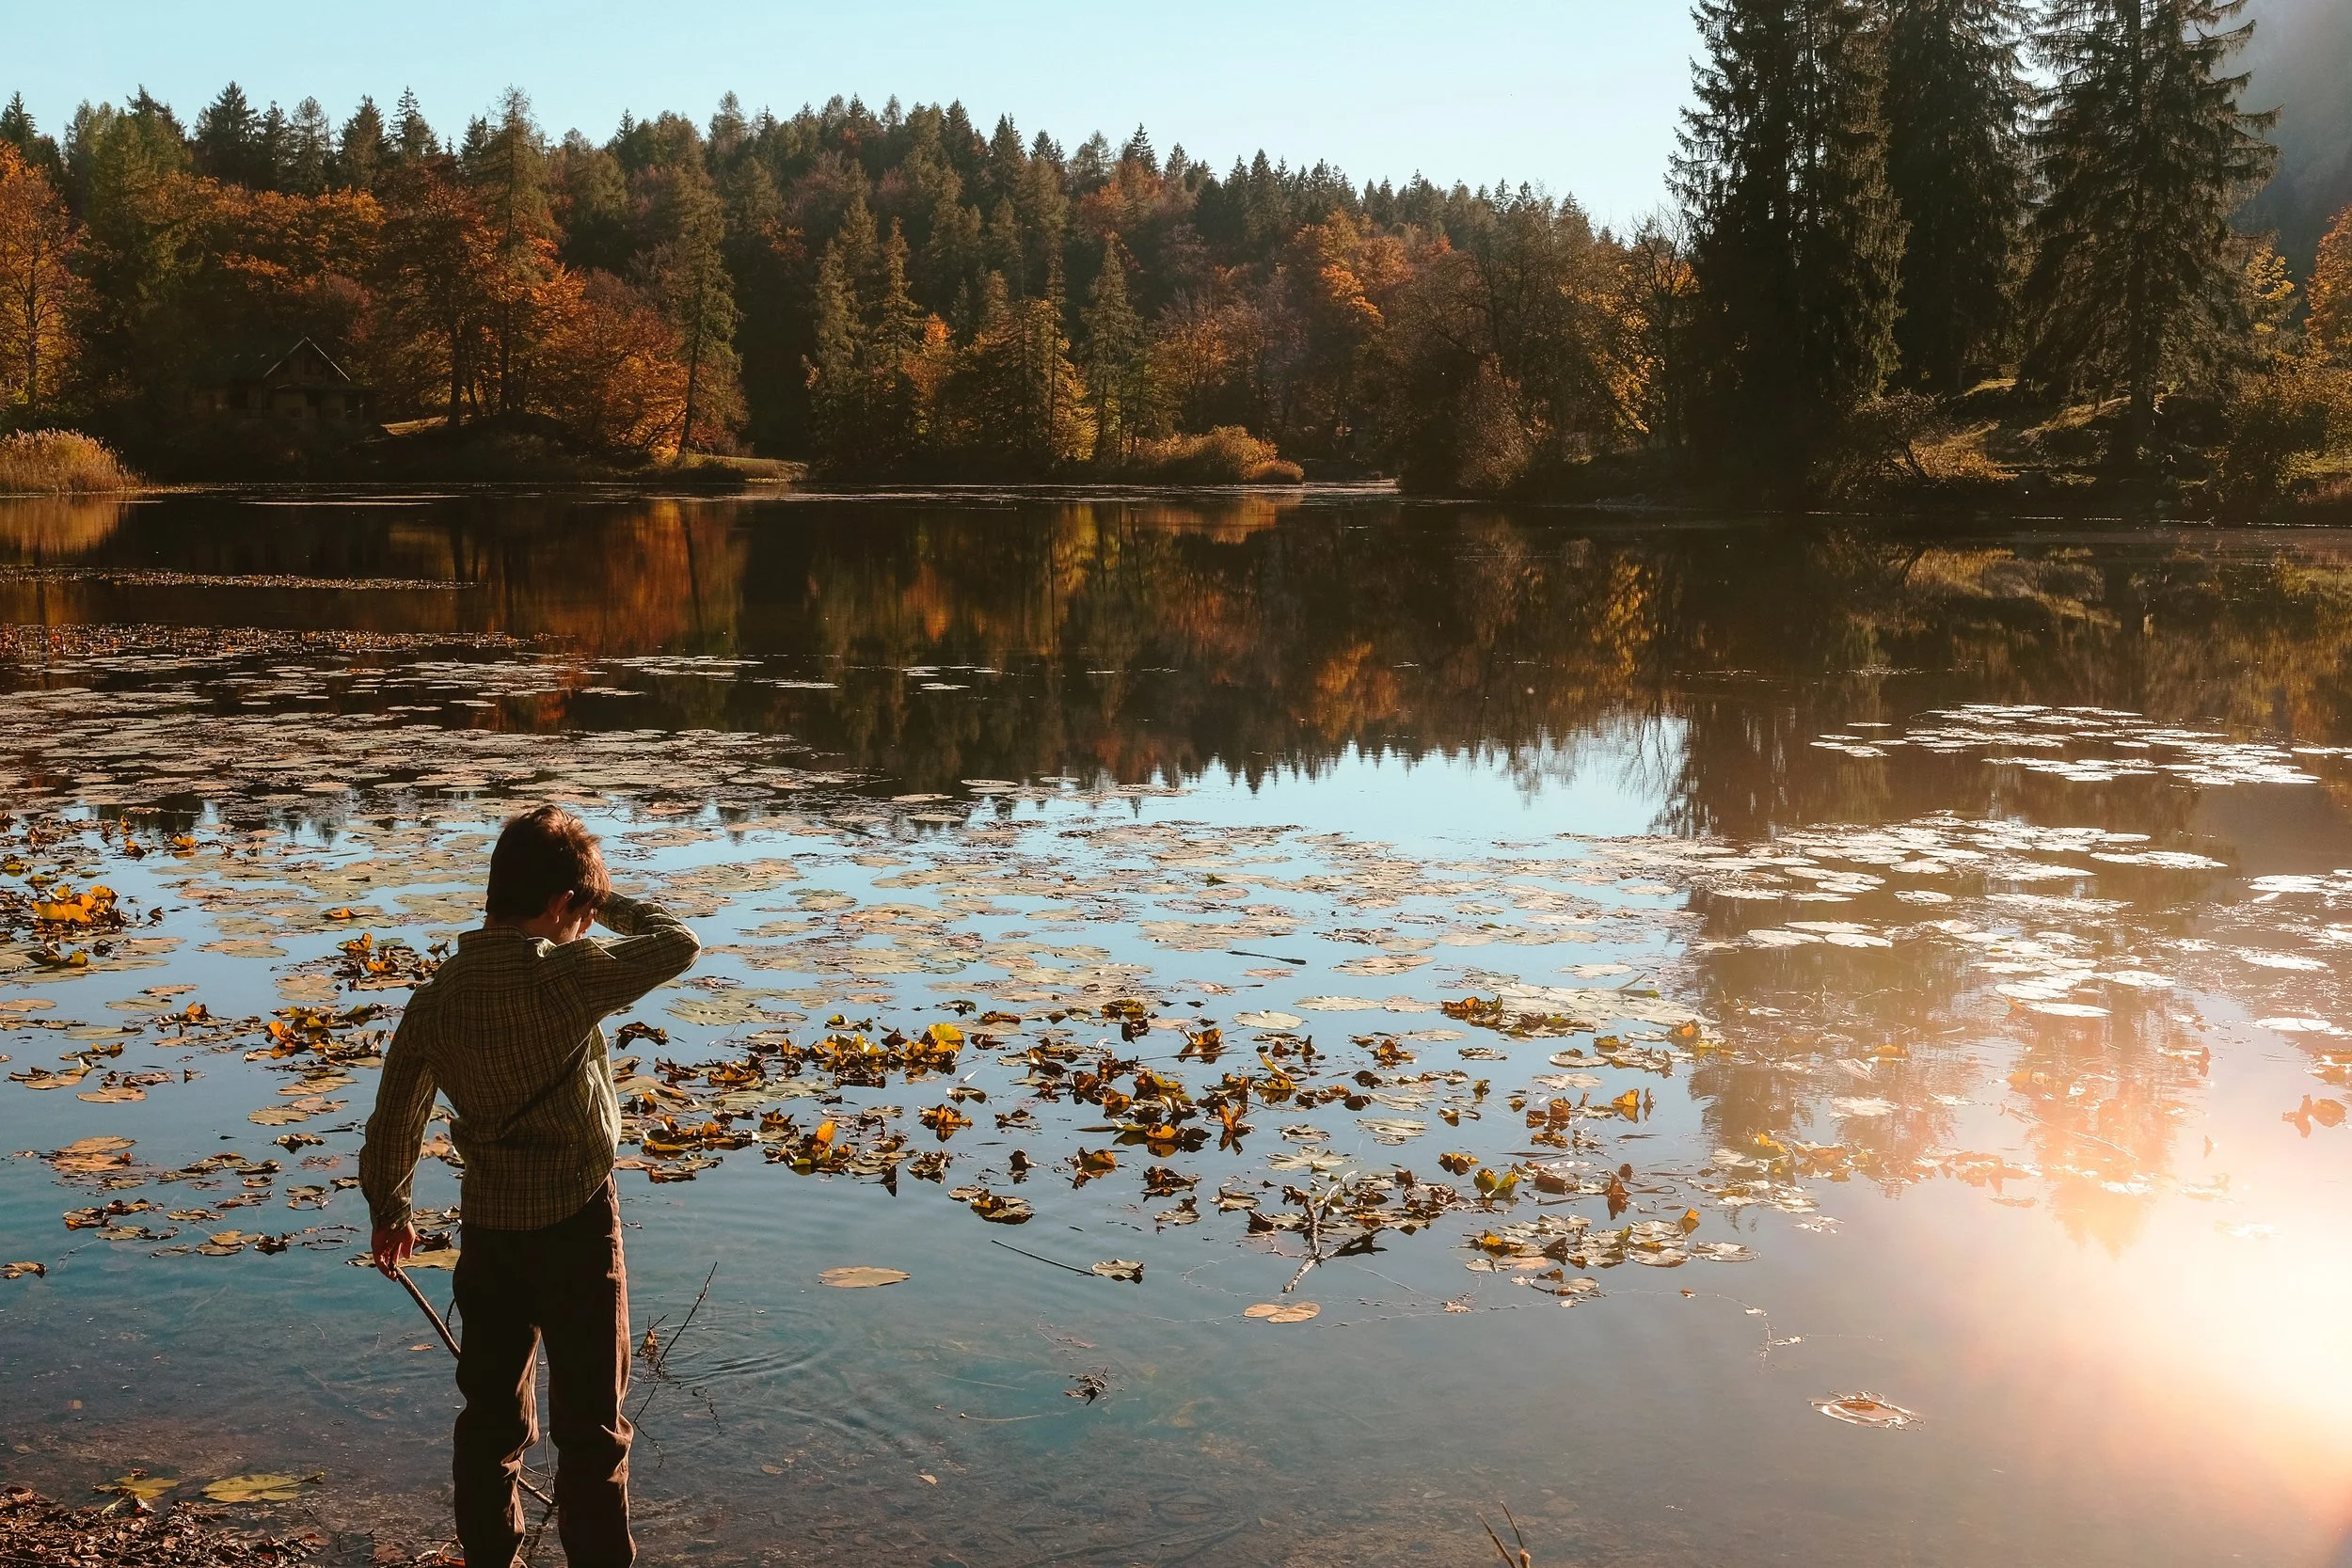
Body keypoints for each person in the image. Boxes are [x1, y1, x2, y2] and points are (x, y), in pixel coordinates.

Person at [361, 804, 698, 1568]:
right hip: (579, 1226)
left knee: (490, 1423)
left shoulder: (437, 996)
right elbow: (680, 941)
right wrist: (606, 901)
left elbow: (395, 1118)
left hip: (490, 1236)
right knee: (592, 1431)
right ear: (561, 907)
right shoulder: (566, 976)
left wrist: (391, 1208)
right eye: (579, 912)